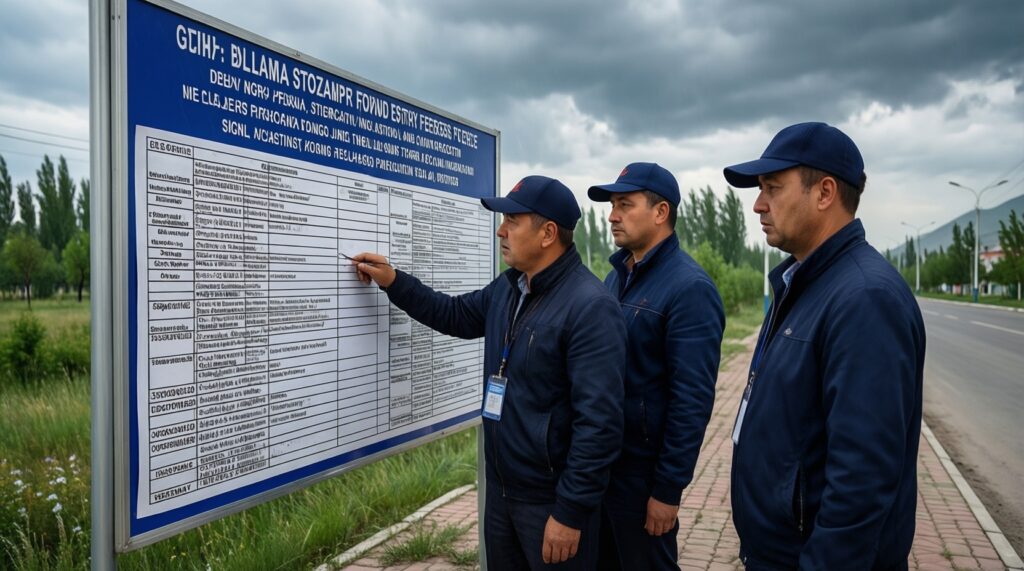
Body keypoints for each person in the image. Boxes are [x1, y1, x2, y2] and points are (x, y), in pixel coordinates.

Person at [352, 175, 626, 570]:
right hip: (501, 493)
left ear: (548, 233)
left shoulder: (589, 307)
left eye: (512, 220)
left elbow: (599, 425)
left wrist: (570, 513)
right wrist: (393, 281)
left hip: (549, 502)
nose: (501, 230)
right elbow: (455, 315)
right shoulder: (510, 286)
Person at [723, 122, 926, 570]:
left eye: (772, 188)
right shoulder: (806, 282)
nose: (758, 204)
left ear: (825, 192)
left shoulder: (864, 298)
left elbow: (862, 479)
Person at [587, 162, 725, 569]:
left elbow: (691, 401)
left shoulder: (690, 289)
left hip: (643, 477)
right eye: (612, 205)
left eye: (625, 204)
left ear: (661, 212)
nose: (612, 215)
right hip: (605, 466)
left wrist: (667, 490)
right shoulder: (617, 277)